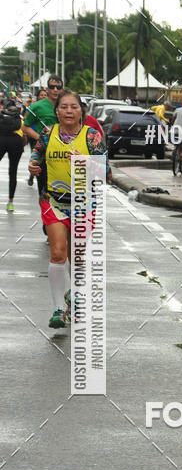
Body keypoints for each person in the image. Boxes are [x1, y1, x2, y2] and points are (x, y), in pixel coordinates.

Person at [28, 89, 109, 329]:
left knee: (78, 256)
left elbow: (107, 172)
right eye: (64, 107)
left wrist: (87, 162)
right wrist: (33, 164)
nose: (69, 111)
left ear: (81, 111)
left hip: (84, 203)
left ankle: (73, 296)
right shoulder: (48, 132)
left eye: (73, 107)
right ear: (57, 111)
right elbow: (37, 152)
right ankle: (57, 310)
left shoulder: (92, 136)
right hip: (54, 202)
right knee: (57, 253)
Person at [23, 76, 63, 190]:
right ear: (47, 89)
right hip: (43, 154)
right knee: (44, 191)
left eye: (58, 87)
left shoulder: (66, 106)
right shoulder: (36, 106)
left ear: (62, 89)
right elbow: (25, 127)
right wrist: (41, 139)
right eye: (52, 87)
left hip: (63, 154)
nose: (55, 90)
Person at [0, 99, 25, 211]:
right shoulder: (19, 119)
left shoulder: (1, 117)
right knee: (13, 172)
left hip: (1, 140)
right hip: (16, 142)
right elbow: (24, 136)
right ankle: (10, 202)